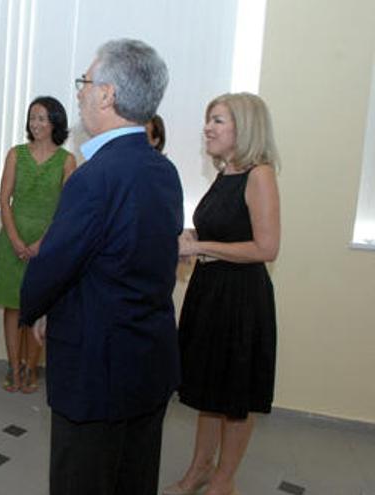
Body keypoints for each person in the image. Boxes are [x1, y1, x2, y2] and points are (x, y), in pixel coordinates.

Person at [20, 39, 183, 494]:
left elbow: (54, 264)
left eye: (85, 83)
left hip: (96, 366)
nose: (79, 93)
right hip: (147, 359)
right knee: (134, 477)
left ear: (107, 95)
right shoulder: (163, 171)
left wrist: (36, 308)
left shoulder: (95, 177)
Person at [164, 93, 280, 495]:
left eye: (217, 121)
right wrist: (193, 237)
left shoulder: (259, 174)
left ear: (243, 128)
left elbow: (266, 249)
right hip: (210, 291)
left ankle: (224, 480)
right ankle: (199, 469)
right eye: (207, 120)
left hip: (241, 299)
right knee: (209, 389)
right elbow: (227, 231)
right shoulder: (227, 172)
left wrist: (199, 248)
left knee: (235, 394)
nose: (207, 128)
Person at [0, 96, 76, 393]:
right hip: (12, 241)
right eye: (32, 118)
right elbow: (3, 199)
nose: (36, 123)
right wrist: (15, 239)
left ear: (55, 121)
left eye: (42, 118)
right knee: (13, 309)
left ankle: (31, 369)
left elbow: (66, 211)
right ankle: (13, 368)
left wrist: (42, 243)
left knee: (38, 309)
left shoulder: (67, 161)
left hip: (47, 246)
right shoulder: (16, 154)